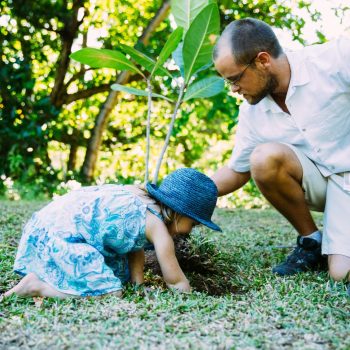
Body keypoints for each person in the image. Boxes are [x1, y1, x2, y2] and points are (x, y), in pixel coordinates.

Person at [212, 17, 350, 279]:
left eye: (235, 79)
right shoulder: (252, 112)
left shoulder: (333, 60)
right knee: (263, 158)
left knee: (341, 274)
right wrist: (178, 195)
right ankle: (311, 242)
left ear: (263, 61)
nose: (234, 89)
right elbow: (237, 171)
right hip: (326, 182)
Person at [4, 168, 221, 298]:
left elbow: (133, 247)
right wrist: (192, 295)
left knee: (120, 274)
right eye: (192, 224)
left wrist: (138, 284)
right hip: (66, 240)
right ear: (178, 214)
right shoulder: (160, 232)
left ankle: (51, 279)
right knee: (111, 292)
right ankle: (40, 287)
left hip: (46, 228)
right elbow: (176, 283)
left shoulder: (139, 200)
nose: (190, 231)